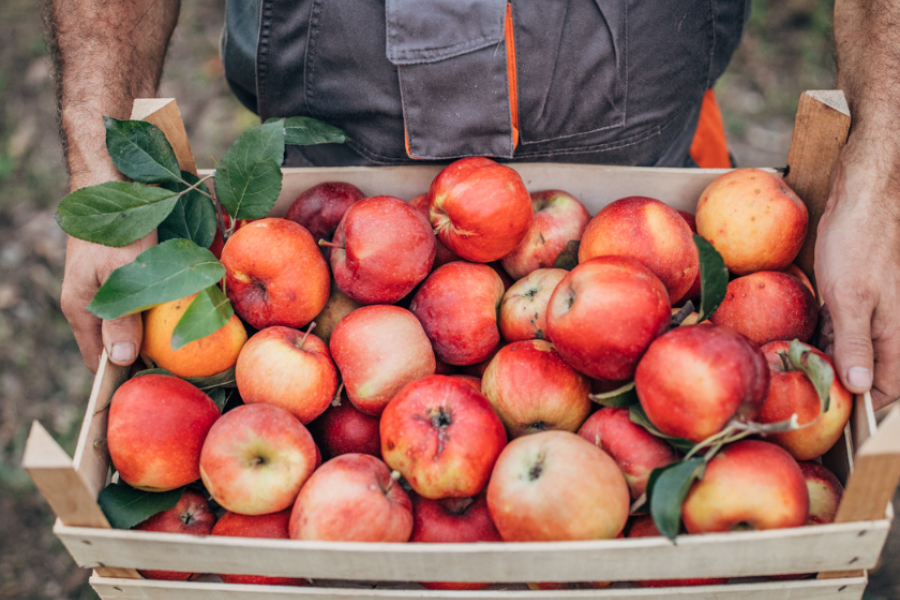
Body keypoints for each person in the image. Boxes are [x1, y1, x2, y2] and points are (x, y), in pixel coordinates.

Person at [45, 0, 900, 411]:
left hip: (639, 162)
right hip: (326, 158)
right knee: (308, 262)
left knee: (668, 292)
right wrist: (98, 166)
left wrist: (878, 184)